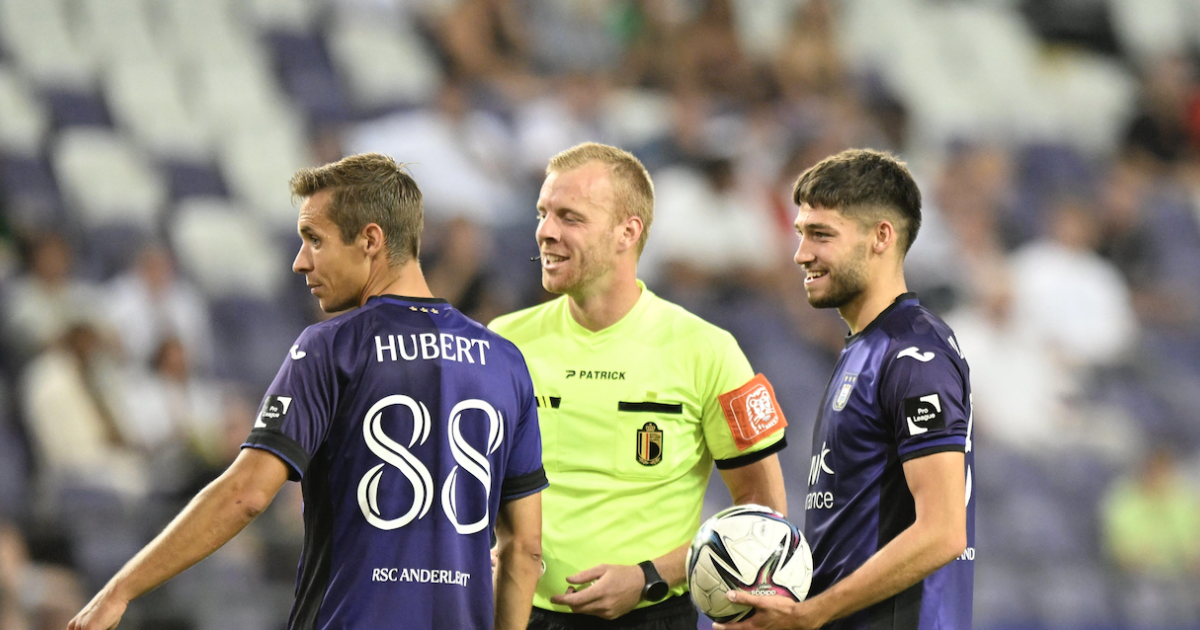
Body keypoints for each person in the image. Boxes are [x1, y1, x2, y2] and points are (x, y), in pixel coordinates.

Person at [68, 153, 547, 630]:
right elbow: (524, 549)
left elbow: (246, 495)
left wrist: (121, 589)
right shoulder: (505, 362)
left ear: (371, 240)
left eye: (314, 240)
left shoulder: (332, 347)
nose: (300, 263)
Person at [488, 142, 789, 629]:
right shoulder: (502, 343)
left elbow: (763, 513)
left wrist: (650, 576)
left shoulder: (707, 350)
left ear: (627, 231)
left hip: (653, 616)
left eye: (570, 217)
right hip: (517, 615)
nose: (545, 232)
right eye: (543, 213)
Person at [716, 149, 974, 630]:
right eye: (800, 234)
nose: (801, 254)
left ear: (881, 237)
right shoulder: (864, 350)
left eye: (821, 235)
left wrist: (808, 615)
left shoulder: (914, 353)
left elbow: (943, 531)